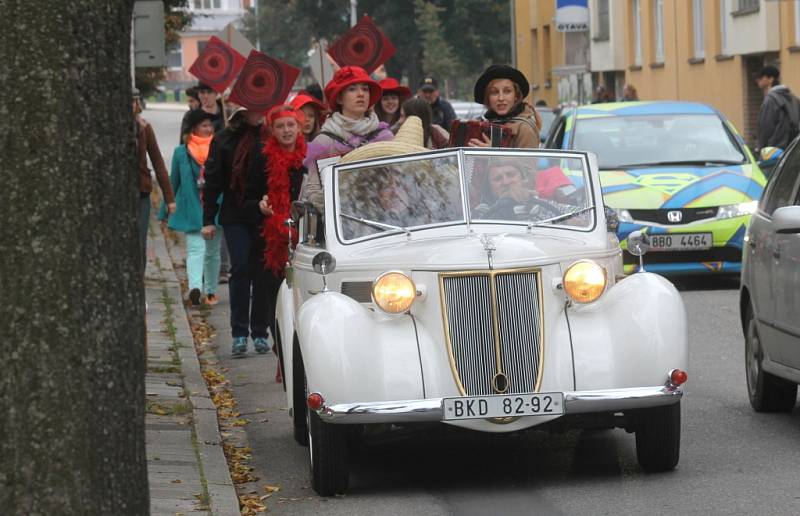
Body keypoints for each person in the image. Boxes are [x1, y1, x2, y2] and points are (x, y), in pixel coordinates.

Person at [201, 106, 272, 356]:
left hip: (265, 213)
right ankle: (240, 333)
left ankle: (261, 332)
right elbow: (212, 181)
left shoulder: (270, 135)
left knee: (262, 272)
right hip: (236, 213)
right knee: (240, 268)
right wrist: (208, 218)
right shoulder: (224, 139)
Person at [253, 105, 307, 367]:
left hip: (305, 232)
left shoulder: (310, 158)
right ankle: (282, 351)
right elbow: (247, 195)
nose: (286, 130)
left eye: (290, 125)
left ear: (299, 127)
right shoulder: (262, 158)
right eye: (280, 126)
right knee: (275, 294)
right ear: (272, 131)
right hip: (273, 237)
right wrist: (259, 203)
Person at [303, 65, 394, 212]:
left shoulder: (384, 136)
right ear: (339, 98)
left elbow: (398, 179)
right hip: (343, 228)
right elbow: (314, 191)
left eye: (365, 89)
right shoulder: (324, 143)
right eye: (352, 89)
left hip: (385, 221)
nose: (361, 94)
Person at [166, 109, 222, 306]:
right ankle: (195, 288)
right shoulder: (181, 152)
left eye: (210, 125)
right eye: (204, 125)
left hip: (215, 207)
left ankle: (211, 291)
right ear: (193, 128)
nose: (209, 129)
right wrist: (167, 206)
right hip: (191, 207)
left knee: (212, 252)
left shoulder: (219, 148)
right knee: (195, 249)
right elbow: (174, 181)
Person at [134, 88, 175, 268]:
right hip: (116, 197)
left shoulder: (145, 128)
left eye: (134, 101)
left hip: (141, 192)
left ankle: (137, 284)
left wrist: (170, 198)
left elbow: (158, 163)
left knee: (139, 242)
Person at [469, 64, 541, 149]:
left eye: (507, 91)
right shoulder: (479, 125)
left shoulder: (525, 129)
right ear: (487, 98)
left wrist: (494, 155)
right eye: (494, 92)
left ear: (516, 96)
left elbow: (528, 162)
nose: (501, 98)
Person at [756, 65, 800, 150]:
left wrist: (763, 148)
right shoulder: (794, 98)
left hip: (774, 152)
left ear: (770, 79)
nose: (758, 80)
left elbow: (766, 129)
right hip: (791, 151)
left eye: (761, 77)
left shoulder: (770, 100)